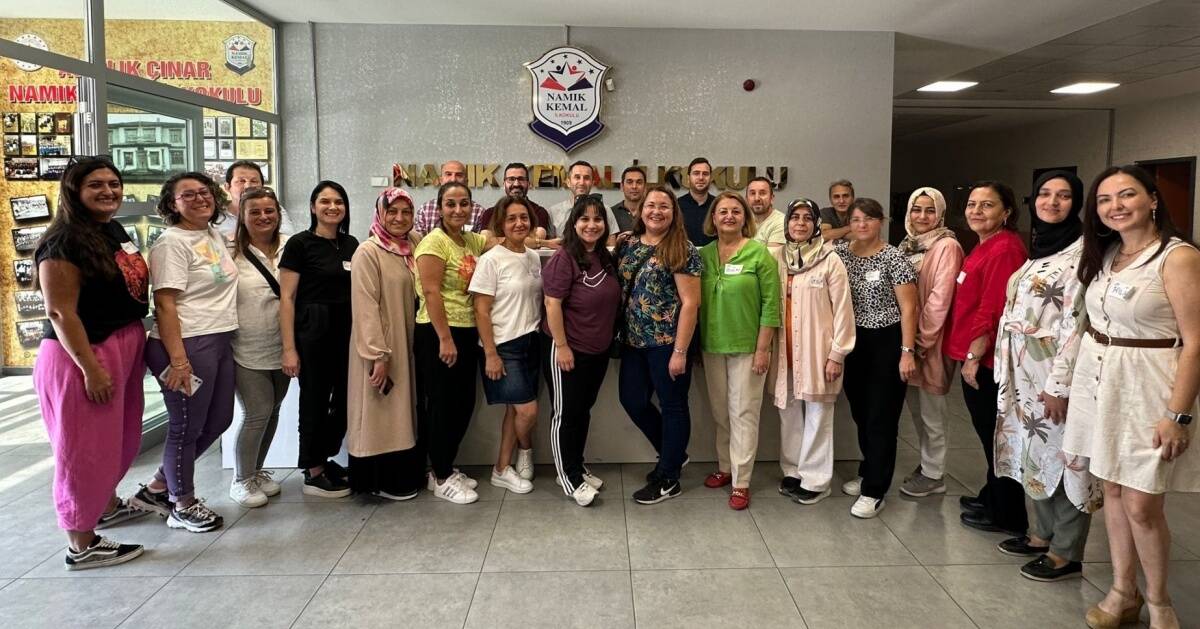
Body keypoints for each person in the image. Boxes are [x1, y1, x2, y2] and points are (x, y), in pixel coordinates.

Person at [1065, 165, 1200, 629]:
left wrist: (1178, 415)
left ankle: (1160, 602)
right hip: (1102, 382)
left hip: (1151, 385)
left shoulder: (1177, 257)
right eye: (1105, 200)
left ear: (1153, 199)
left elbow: (1195, 342)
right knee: (1114, 490)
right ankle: (1123, 592)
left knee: (1143, 503)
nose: (1115, 206)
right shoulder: (1107, 254)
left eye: (1127, 195)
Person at [34, 157, 149, 569]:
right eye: (96, 185)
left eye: (113, 183)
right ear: (74, 191)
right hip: (83, 353)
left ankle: (105, 506)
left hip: (121, 344)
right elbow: (60, 312)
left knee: (117, 440)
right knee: (84, 450)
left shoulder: (111, 229)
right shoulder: (63, 241)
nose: (108, 191)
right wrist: (91, 369)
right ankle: (81, 544)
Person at [994, 170, 1102, 582]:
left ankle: (1066, 551)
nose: (1052, 202)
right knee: (1033, 453)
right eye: (1044, 194)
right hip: (1025, 374)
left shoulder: (1084, 253)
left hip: (1056, 375)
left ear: (1077, 204)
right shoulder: (1039, 248)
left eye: (1063, 195)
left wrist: (1059, 385)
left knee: (1067, 457)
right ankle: (1040, 535)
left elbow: (1076, 325)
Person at [132, 171, 238, 534]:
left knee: (219, 420)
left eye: (204, 192)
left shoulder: (209, 234)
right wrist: (179, 361)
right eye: (187, 195)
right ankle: (182, 503)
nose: (199, 199)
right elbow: (164, 304)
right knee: (186, 427)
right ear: (171, 204)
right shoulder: (171, 243)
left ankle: (158, 487)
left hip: (218, 339)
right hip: (185, 345)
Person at [945, 181, 1029, 535]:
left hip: (988, 358)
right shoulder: (985, 244)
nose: (976, 211)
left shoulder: (1005, 249)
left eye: (987, 205)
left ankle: (1007, 514)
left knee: (997, 436)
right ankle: (991, 494)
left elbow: (994, 307)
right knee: (986, 433)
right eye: (972, 204)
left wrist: (974, 355)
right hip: (975, 351)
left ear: (1006, 212)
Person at [618, 184, 703, 505]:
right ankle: (674, 453)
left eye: (664, 206)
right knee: (632, 400)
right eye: (651, 205)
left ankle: (669, 478)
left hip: (668, 343)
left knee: (673, 406)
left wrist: (680, 352)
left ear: (673, 212)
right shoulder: (628, 244)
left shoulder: (682, 248)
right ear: (640, 210)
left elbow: (691, 303)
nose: (656, 211)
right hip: (633, 342)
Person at [836, 197, 918, 519]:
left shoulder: (894, 258)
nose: (862, 225)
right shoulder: (841, 254)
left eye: (868, 219)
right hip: (853, 342)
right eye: (856, 219)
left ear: (880, 221)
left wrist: (907, 352)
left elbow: (909, 308)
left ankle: (875, 490)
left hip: (886, 341)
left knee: (881, 417)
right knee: (861, 412)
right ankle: (868, 469)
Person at [698, 191, 780, 510]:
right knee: (721, 412)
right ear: (713, 218)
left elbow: (771, 304)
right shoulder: (704, 254)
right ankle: (725, 467)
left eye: (736, 211)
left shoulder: (759, 254)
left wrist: (763, 349)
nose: (729, 216)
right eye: (723, 211)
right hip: (712, 345)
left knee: (744, 413)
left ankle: (741, 481)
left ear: (745, 217)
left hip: (748, 346)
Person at [772, 198, 855, 506]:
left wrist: (837, 354)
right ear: (787, 223)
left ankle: (817, 480)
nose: (800, 223)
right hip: (784, 351)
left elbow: (844, 312)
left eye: (808, 218)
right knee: (789, 412)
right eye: (795, 217)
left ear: (817, 224)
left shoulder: (830, 259)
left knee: (818, 414)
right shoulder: (778, 258)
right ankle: (793, 470)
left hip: (819, 353)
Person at [414, 181, 492, 504]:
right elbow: (431, 292)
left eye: (464, 203)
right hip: (438, 332)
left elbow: (505, 240)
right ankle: (441, 474)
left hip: (467, 330)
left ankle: (444, 465)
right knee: (443, 405)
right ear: (440, 207)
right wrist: (445, 338)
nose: (458, 210)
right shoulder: (434, 242)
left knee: (463, 403)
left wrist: (549, 240)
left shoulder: (471, 239)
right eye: (451, 204)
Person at [279, 181, 358, 498]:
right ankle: (313, 470)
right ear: (313, 207)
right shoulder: (299, 244)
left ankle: (324, 457)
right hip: (313, 333)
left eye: (339, 201)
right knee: (314, 402)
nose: (332, 207)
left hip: (346, 332)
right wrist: (289, 349)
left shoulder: (350, 243)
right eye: (325, 201)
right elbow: (287, 298)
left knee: (345, 401)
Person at [542, 196, 622, 507]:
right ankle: (568, 477)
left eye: (597, 219)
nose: (592, 225)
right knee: (565, 414)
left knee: (582, 411)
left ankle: (577, 464)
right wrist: (562, 347)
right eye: (584, 219)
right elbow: (552, 304)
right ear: (573, 223)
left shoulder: (604, 256)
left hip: (597, 351)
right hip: (568, 349)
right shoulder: (564, 258)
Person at [346, 187, 425, 501]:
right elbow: (365, 306)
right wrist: (377, 354)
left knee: (402, 411)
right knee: (381, 412)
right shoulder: (368, 252)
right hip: (381, 344)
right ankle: (379, 480)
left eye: (406, 212)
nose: (399, 218)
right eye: (392, 211)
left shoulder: (413, 244)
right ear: (380, 213)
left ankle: (405, 474)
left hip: (408, 341)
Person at [470, 196, 543, 494]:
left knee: (515, 411)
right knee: (527, 411)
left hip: (531, 342)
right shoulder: (491, 259)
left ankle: (501, 468)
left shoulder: (533, 257)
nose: (519, 223)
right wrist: (490, 353)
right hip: (504, 346)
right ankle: (525, 449)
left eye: (523, 217)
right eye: (511, 218)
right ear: (500, 223)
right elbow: (481, 310)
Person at [896, 187, 963, 498]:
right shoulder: (907, 244)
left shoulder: (946, 246)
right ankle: (927, 465)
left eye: (929, 210)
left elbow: (939, 300)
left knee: (932, 411)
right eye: (916, 209)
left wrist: (921, 341)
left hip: (929, 343)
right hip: (908, 341)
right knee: (917, 410)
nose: (922, 216)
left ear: (941, 214)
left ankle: (935, 474)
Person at [227, 187, 289, 508]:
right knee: (257, 412)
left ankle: (256, 470)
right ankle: (241, 479)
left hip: (284, 345)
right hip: (245, 347)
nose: (264, 217)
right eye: (255, 212)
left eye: (269, 211)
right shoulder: (229, 251)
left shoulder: (290, 246)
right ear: (242, 215)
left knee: (273, 410)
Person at [474, 162, 554, 246]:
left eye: (521, 179)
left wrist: (498, 240)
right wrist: (529, 241)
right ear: (504, 184)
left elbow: (537, 239)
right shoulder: (490, 213)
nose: (516, 184)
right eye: (511, 179)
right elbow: (486, 242)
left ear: (528, 184)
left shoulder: (539, 212)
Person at [218, 160, 296, 240]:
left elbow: (288, 239)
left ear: (262, 187)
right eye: (241, 181)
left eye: (254, 181)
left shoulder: (272, 210)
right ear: (227, 187)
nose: (248, 186)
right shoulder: (217, 214)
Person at [547, 160, 620, 241]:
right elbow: (551, 245)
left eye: (586, 178)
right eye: (577, 177)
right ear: (568, 182)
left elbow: (611, 244)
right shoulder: (553, 211)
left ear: (592, 183)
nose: (582, 182)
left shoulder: (605, 210)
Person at [413, 160, 486, 235]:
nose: (453, 179)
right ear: (441, 180)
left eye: (459, 175)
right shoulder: (425, 209)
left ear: (466, 181)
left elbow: (481, 241)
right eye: (448, 174)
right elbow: (418, 240)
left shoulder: (479, 212)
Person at [678, 157, 715, 246]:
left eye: (705, 174)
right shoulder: (676, 205)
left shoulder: (718, 205)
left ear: (710, 178)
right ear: (688, 178)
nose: (701, 177)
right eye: (696, 173)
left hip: (714, 254)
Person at [745, 177, 786, 246]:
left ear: (771, 198)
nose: (757, 198)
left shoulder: (781, 222)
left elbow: (770, 253)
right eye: (752, 193)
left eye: (762, 193)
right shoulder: (743, 221)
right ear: (746, 199)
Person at [611, 165, 646, 233]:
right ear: (622, 186)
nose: (634, 186)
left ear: (645, 187)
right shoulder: (611, 213)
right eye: (630, 182)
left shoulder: (651, 212)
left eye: (639, 182)